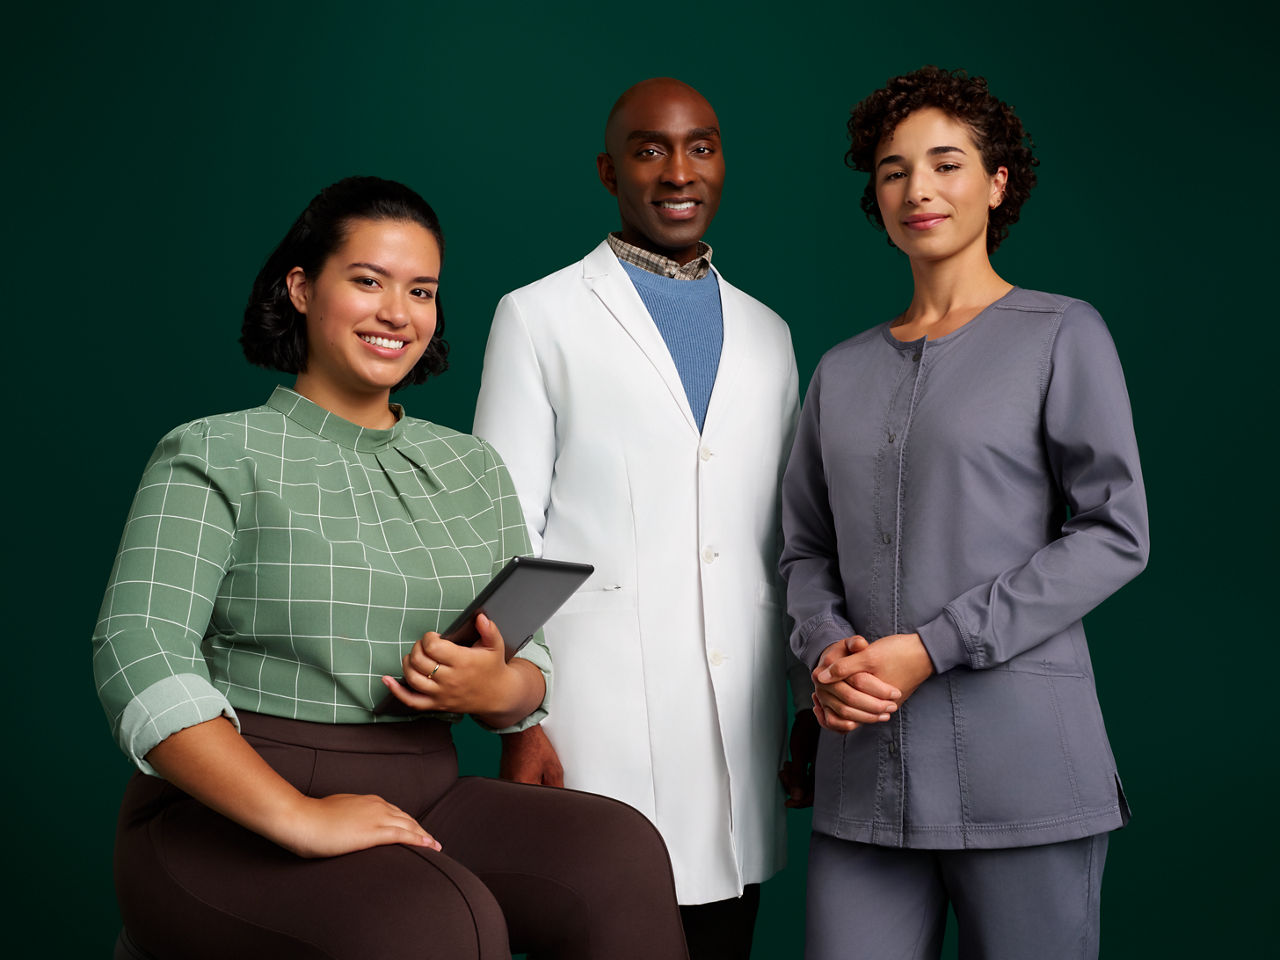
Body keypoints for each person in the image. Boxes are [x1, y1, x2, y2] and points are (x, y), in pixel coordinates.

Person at [92, 176, 688, 960]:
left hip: (424, 786)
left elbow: (528, 653)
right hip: (225, 809)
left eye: (421, 290)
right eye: (367, 281)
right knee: (430, 920)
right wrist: (296, 815)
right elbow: (137, 650)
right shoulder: (214, 452)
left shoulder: (471, 467)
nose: (396, 313)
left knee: (618, 852)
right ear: (301, 289)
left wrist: (499, 688)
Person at [779, 67, 1149, 959]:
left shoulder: (1064, 335)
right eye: (894, 169)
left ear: (997, 183)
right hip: (865, 780)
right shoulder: (841, 370)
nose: (919, 189)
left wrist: (932, 646)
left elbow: (1116, 533)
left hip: (1023, 773)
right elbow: (802, 549)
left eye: (947, 163)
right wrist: (825, 647)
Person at [472, 78, 812, 959]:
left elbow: (785, 537)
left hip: (739, 718)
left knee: (724, 929)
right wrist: (518, 721)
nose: (677, 171)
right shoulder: (537, 316)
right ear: (608, 168)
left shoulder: (769, 334)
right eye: (649, 148)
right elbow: (505, 532)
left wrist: (805, 694)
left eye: (700, 145)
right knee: (605, 913)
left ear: (723, 162)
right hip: (594, 717)